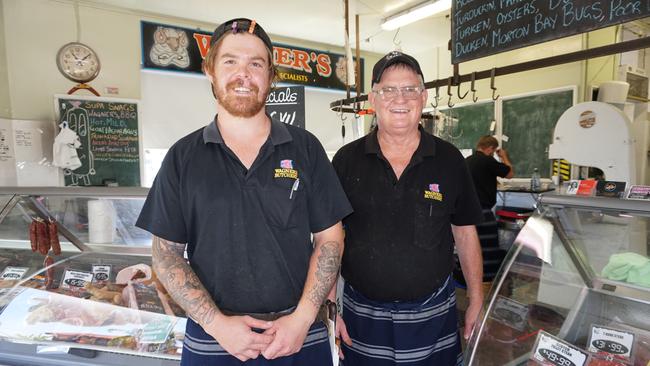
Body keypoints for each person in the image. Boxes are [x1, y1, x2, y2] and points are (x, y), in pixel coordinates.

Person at [136, 18, 352, 365]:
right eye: (230, 61)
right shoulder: (182, 156)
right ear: (210, 71)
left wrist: (302, 318)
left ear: (270, 75)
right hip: (213, 338)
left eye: (256, 64)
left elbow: (330, 238)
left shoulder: (306, 149)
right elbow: (165, 254)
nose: (244, 74)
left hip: (299, 334)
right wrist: (217, 324)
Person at [331, 51, 484, 366]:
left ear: (423, 96)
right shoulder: (346, 160)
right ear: (373, 97)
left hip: (433, 311)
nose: (399, 98)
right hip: (361, 313)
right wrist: (331, 309)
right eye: (388, 90)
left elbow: (465, 232)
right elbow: (332, 239)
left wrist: (476, 299)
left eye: (410, 89)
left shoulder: (450, 159)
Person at [465, 136, 513, 281]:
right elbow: (510, 174)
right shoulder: (488, 160)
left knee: (472, 249)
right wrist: (504, 156)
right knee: (488, 250)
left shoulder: (467, 161)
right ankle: (487, 283)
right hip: (483, 213)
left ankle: (471, 282)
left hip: (466, 213)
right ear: (491, 149)